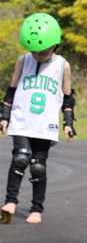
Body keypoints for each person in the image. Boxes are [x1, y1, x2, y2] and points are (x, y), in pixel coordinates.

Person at [0, 13, 77, 224]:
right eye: (33, 51)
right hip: (21, 120)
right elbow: (11, 90)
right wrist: (4, 116)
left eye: (42, 52)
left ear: (54, 45)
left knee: (37, 166)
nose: (37, 55)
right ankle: (10, 202)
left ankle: (36, 208)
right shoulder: (23, 60)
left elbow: (68, 97)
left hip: (45, 124)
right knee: (20, 158)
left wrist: (68, 123)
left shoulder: (63, 65)